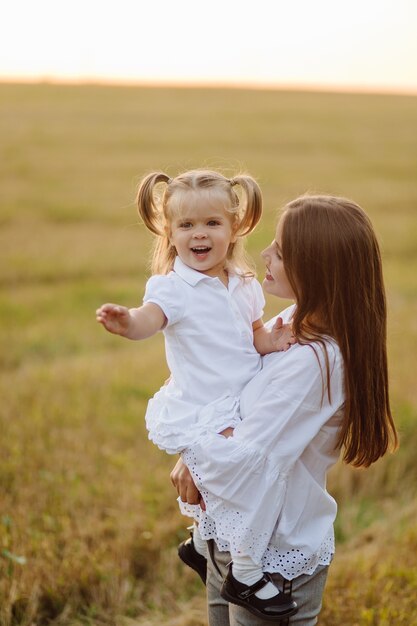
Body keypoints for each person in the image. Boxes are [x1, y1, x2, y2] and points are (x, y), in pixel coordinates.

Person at [170, 194, 398, 625]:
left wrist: (192, 460)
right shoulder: (296, 320)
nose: (266, 254)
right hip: (231, 536)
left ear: (319, 268)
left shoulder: (317, 362)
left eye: (282, 250)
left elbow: (245, 457)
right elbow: (233, 389)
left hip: (273, 558)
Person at [96, 170, 297, 620]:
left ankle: (201, 542)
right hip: (204, 408)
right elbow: (150, 319)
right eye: (186, 226)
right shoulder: (173, 288)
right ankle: (245, 573)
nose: (198, 234)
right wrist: (127, 322)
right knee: (248, 479)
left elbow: (253, 335)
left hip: (241, 402)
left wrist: (273, 341)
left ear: (234, 228)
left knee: (232, 481)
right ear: (170, 234)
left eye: (211, 223)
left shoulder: (244, 283)